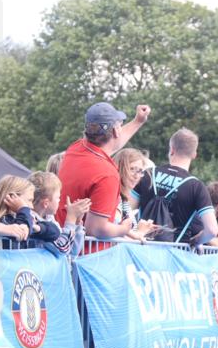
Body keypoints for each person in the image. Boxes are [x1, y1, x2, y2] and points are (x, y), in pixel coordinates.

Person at [55, 102, 154, 245]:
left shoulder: (76, 148)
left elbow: (112, 144)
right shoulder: (107, 174)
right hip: (89, 258)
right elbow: (96, 229)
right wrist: (124, 229)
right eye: (119, 125)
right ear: (115, 131)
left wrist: (138, 121)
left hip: (63, 248)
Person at [133, 127, 217, 246]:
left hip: (140, 249)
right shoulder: (196, 186)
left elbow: (128, 211)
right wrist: (196, 241)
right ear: (194, 155)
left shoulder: (147, 174)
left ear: (171, 149)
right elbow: (212, 230)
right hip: (176, 253)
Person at [27, 171, 90, 257]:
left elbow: (72, 251)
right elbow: (62, 249)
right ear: (46, 203)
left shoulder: (49, 219)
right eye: (58, 198)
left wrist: (77, 223)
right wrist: (71, 219)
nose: (59, 201)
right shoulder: (32, 221)